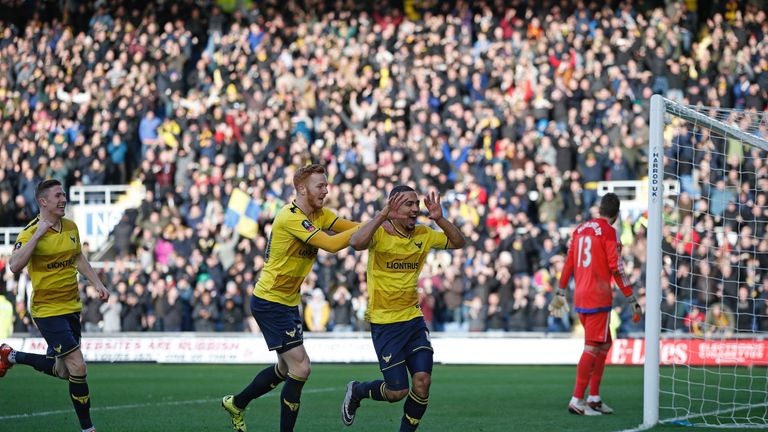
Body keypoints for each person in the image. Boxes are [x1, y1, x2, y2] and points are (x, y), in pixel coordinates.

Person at [221, 164, 360, 432]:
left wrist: (384, 222)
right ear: (301, 188)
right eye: (320, 185)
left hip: (287, 302)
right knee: (302, 367)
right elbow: (331, 244)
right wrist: (378, 223)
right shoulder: (290, 217)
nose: (326, 190)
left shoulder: (320, 215)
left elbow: (353, 227)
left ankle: (237, 403)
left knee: (285, 370)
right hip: (270, 301)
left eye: (326, 184)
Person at [341, 186, 465, 431]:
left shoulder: (424, 233)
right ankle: (357, 390)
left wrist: (439, 218)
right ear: (393, 206)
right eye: (408, 204)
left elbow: (459, 242)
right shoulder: (379, 231)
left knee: (422, 382)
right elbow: (356, 243)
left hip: (413, 320)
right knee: (397, 391)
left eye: (416, 204)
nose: (415, 209)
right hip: (384, 323)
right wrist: (381, 216)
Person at [0, 179, 110, 432]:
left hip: (71, 306)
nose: (63, 199)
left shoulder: (71, 226)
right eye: (58, 195)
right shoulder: (29, 232)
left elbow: (77, 256)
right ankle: (88, 428)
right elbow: (14, 265)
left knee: (64, 371)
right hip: (47, 310)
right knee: (78, 365)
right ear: (43, 201)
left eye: (64, 195)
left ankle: (11, 355)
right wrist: (38, 234)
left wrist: (96, 283)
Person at [548, 192, 641, 416]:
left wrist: (560, 290)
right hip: (598, 296)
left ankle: (594, 398)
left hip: (579, 294)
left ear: (600, 210)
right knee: (591, 347)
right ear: (616, 214)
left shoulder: (580, 229)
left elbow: (569, 262)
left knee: (605, 344)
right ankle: (577, 400)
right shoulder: (609, 232)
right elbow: (616, 267)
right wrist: (631, 298)